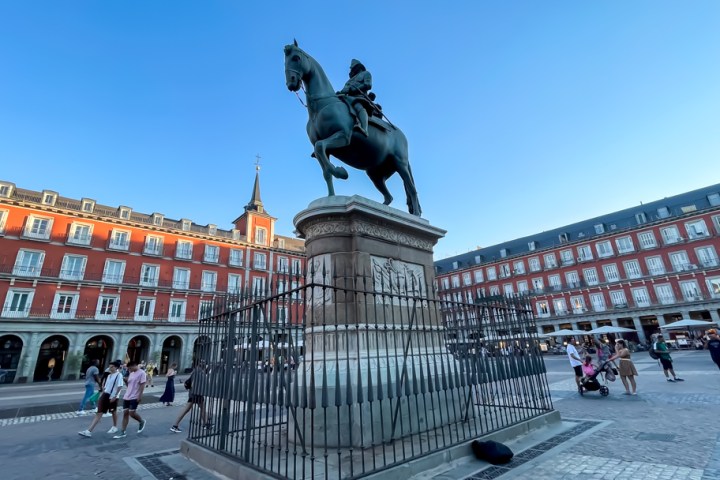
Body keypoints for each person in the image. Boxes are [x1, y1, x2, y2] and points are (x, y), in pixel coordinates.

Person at [78, 360, 124, 437]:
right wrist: (103, 389)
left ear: (116, 367)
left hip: (112, 396)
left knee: (113, 412)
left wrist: (115, 396)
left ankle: (115, 426)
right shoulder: (109, 375)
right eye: (109, 366)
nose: (110, 368)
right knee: (99, 413)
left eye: (111, 366)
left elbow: (120, 386)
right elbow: (106, 385)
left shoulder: (119, 375)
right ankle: (89, 431)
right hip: (105, 394)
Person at [170, 364, 209, 433]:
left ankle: (206, 424)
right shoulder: (198, 373)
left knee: (192, 409)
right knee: (192, 409)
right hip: (196, 394)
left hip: (194, 394)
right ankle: (175, 425)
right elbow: (193, 384)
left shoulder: (195, 372)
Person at [338, 59, 372, 137]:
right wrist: (340, 92)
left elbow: (368, 84)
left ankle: (364, 129)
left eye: (353, 68)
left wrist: (354, 89)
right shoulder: (349, 81)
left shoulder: (366, 73)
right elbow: (344, 90)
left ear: (358, 67)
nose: (351, 70)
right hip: (346, 98)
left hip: (359, 97)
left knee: (357, 105)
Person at [113, 361, 147, 439]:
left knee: (132, 413)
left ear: (135, 365)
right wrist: (125, 381)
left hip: (135, 396)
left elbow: (142, 385)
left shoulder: (142, 373)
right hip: (127, 395)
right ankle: (123, 431)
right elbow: (129, 385)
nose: (129, 369)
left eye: (130, 368)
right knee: (125, 413)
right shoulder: (131, 374)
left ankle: (141, 421)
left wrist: (140, 396)